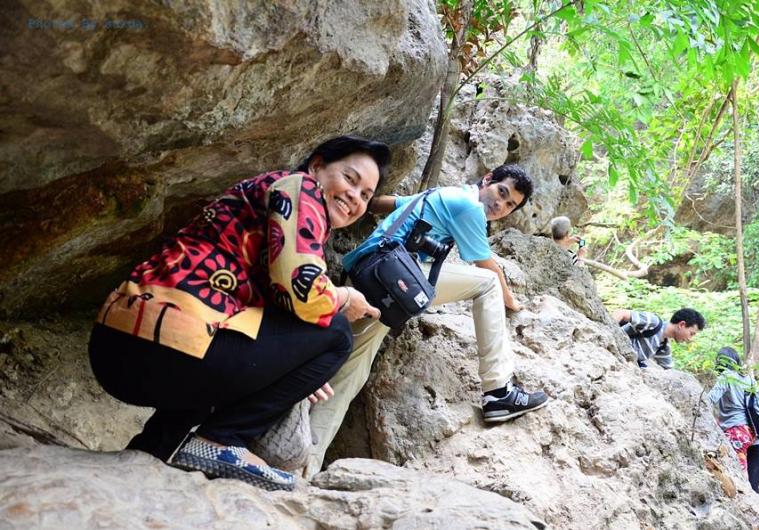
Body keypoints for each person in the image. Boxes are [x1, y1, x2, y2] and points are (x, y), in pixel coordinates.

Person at [88, 136, 387, 491]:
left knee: (228, 334)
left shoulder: (278, 203)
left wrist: (295, 364)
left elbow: (270, 322)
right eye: (350, 179)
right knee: (336, 334)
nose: (355, 197)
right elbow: (304, 291)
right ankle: (223, 440)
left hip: (118, 342)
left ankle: (155, 448)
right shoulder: (300, 187)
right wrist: (344, 298)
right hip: (164, 342)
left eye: (366, 195)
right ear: (317, 166)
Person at [305, 164, 550, 477]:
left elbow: (389, 203)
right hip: (392, 278)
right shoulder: (469, 206)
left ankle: (305, 463)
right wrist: (513, 303)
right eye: (501, 192)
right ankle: (498, 391)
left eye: (510, 204)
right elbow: (487, 266)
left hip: (372, 273)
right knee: (489, 284)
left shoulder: (442, 193)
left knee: (347, 372)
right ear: (487, 179)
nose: (500, 205)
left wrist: (362, 204)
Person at [707, 347, 759, 494]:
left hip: (735, 431)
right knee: (741, 473)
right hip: (750, 432)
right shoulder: (749, 379)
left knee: (736, 475)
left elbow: (709, 399)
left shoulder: (726, 377)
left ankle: (742, 495)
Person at [612, 307, 705, 369]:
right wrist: (608, 332)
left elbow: (669, 371)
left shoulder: (663, 346)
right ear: (682, 325)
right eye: (691, 333)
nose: (690, 339)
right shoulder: (653, 322)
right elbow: (621, 313)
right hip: (612, 349)